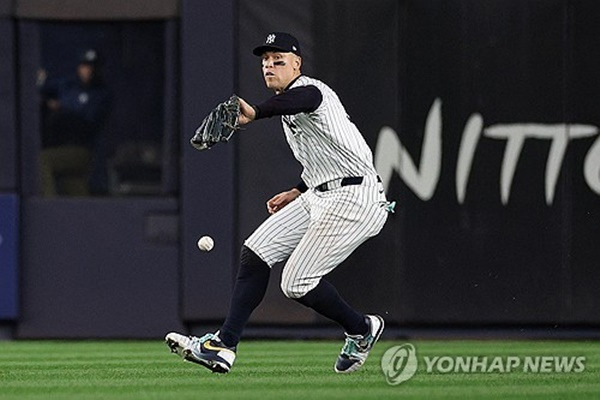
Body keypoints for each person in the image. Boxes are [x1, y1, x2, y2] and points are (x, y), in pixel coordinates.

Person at [166, 32, 393, 374]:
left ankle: (362, 329)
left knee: (295, 283)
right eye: (265, 62)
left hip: (355, 199)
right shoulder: (292, 103)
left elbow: (302, 99)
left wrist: (256, 112)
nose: (270, 66)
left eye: (279, 60)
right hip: (320, 193)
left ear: (297, 64)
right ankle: (224, 346)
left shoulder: (312, 91)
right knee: (255, 252)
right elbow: (331, 154)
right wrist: (297, 189)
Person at [39, 48, 111, 196]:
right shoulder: (68, 85)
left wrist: (61, 107)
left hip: (81, 150)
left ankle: (49, 210)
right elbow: (42, 88)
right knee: (74, 189)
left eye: (92, 67)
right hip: (59, 146)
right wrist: (39, 81)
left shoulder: (101, 94)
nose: (87, 70)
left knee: (41, 160)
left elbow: (86, 120)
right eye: (85, 66)